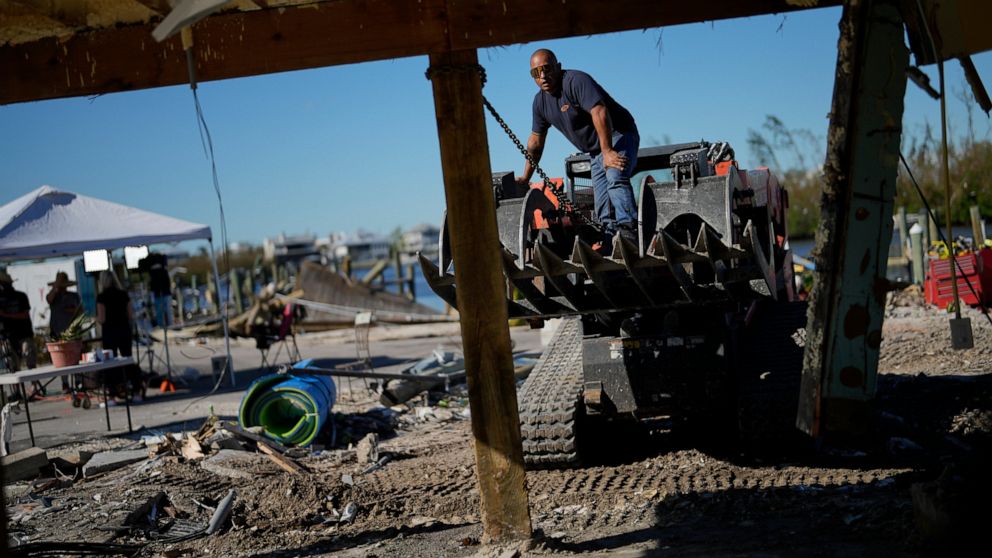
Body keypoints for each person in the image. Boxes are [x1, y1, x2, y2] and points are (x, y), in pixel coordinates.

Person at [516, 48, 640, 248]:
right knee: (601, 201)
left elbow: (599, 112)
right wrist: (525, 178)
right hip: (595, 151)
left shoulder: (575, 81)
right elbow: (535, 142)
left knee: (615, 176)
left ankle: (630, 234)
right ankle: (610, 242)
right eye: (536, 73)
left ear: (558, 67)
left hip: (618, 134)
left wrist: (608, 151)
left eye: (547, 69)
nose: (543, 76)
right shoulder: (540, 103)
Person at [96, 270, 141, 402]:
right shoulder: (123, 294)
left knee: (110, 362)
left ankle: (112, 394)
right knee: (128, 358)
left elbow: (102, 318)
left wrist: (95, 319)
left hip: (109, 331)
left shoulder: (102, 297)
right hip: (124, 330)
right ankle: (136, 391)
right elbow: (130, 315)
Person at [0, 271, 38, 398]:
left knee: (30, 359)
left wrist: (6, 315)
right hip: (8, 336)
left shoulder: (20, 296)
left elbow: (25, 314)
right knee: (12, 365)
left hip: (24, 333)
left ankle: (34, 387)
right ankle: (17, 392)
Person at [46, 271, 81, 392]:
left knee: (75, 357)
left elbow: (77, 309)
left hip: (73, 331)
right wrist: (55, 288)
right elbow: (49, 299)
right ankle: (65, 383)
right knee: (61, 359)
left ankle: (78, 381)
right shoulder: (53, 297)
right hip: (57, 331)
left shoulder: (73, 296)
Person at [139, 252, 172, 328]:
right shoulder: (159, 268)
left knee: (163, 310)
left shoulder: (158, 268)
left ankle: (166, 325)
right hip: (160, 291)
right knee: (162, 310)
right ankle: (165, 325)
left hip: (162, 291)